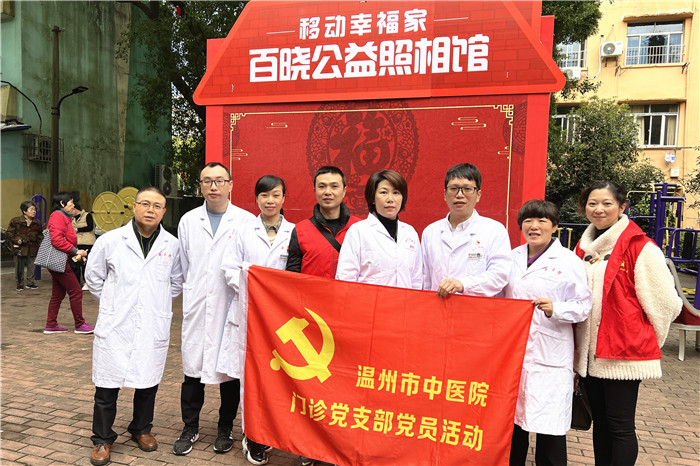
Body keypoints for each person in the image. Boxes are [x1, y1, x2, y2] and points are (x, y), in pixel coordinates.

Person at [574, 181, 681, 465]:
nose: (599, 209)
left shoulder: (641, 247)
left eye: (607, 203)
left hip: (623, 353)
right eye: (592, 203)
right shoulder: (582, 248)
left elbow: (666, 303)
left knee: (620, 426)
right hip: (591, 354)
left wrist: (642, 339)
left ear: (622, 207)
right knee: (601, 424)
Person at [85, 186, 183, 466]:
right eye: (145, 203)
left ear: (164, 211)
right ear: (134, 206)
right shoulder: (111, 240)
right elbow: (94, 277)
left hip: (152, 322)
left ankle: (141, 428)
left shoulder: (172, 245)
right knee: (107, 385)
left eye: (157, 206)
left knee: (148, 380)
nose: (151, 210)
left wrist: (151, 303)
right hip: (116, 323)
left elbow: (176, 282)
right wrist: (115, 304)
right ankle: (102, 438)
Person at [173, 162, 255, 457]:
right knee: (192, 370)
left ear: (231, 185)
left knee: (229, 371)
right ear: (200, 186)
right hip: (198, 304)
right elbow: (184, 266)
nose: (213, 186)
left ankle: (225, 428)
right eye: (207, 181)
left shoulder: (246, 221)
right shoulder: (188, 221)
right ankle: (190, 427)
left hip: (230, 304)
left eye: (219, 180)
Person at [503, 200, 592, 466]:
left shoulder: (568, 261)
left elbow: (583, 306)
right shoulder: (511, 258)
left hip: (550, 354)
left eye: (542, 221)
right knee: (512, 428)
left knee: (550, 429)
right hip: (514, 352)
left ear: (554, 226)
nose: (534, 226)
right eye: (528, 221)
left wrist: (557, 308)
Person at [285, 165, 360, 466]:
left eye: (334, 186)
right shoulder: (301, 230)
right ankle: (309, 447)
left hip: (351, 320)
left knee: (347, 387)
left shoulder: (361, 228)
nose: (328, 192)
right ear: (315, 190)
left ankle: (342, 447)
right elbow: (291, 276)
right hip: (313, 324)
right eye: (322, 186)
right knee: (313, 389)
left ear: (345, 190)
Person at [220, 175, 294, 466]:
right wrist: (255, 289)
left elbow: (296, 275)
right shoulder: (242, 231)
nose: (270, 201)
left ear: (284, 198)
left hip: (281, 320)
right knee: (249, 378)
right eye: (264, 195)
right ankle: (252, 435)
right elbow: (229, 268)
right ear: (256, 199)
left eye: (275, 195)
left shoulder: (294, 232)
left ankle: (272, 431)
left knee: (277, 378)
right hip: (248, 313)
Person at [422, 163, 512, 298]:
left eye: (467, 189)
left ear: (478, 195)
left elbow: (499, 275)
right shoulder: (430, 232)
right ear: (445, 194)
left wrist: (463, 284)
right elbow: (425, 280)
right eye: (453, 188)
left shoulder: (494, 230)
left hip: (476, 308)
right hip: (438, 307)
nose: (459, 195)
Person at [336, 170, 422, 289]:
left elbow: (416, 280)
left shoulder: (410, 233)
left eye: (396, 193)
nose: (390, 199)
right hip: (368, 300)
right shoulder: (358, 231)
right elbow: (345, 278)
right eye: (384, 192)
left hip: (405, 300)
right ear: (373, 198)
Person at [43, 192, 95, 335]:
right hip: (59, 259)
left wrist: (75, 253)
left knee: (58, 294)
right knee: (76, 291)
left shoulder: (63, 216)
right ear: (62, 203)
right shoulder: (58, 216)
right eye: (71, 203)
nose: (73, 206)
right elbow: (57, 240)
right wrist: (76, 251)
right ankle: (80, 324)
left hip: (59, 260)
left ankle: (51, 324)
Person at [6, 200, 43, 291]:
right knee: (19, 266)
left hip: (33, 247)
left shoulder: (37, 222)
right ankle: (20, 283)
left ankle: (30, 283)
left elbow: (40, 235)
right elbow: (9, 233)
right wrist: (17, 240)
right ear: (24, 211)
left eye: (34, 210)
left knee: (32, 266)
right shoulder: (16, 221)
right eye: (31, 210)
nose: (34, 212)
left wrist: (40, 244)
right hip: (20, 248)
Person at [71, 202, 96, 290]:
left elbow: (90, 227)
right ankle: (77, 282)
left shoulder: (87, 215)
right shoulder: (72, 219)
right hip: (77, 244)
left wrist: (78, 229)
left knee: (86, 264)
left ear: (75, 209)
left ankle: (87, 282)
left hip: (87, 243)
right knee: (76, 263)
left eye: (71, 210)